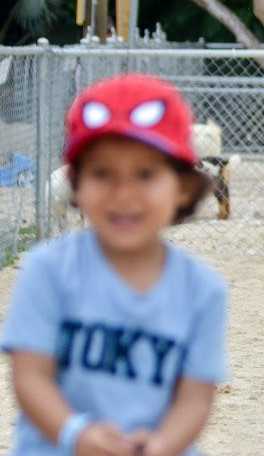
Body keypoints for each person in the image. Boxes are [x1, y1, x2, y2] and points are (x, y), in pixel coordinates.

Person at [1, 74, 228, 455]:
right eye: (102, 173)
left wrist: (159, 446)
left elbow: (195, 396)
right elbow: (30, 376)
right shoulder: (47, 271)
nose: (124, 194)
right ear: (74, 182)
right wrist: (77, 434)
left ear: (184, 188)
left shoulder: (202, 290)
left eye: (146, 174)